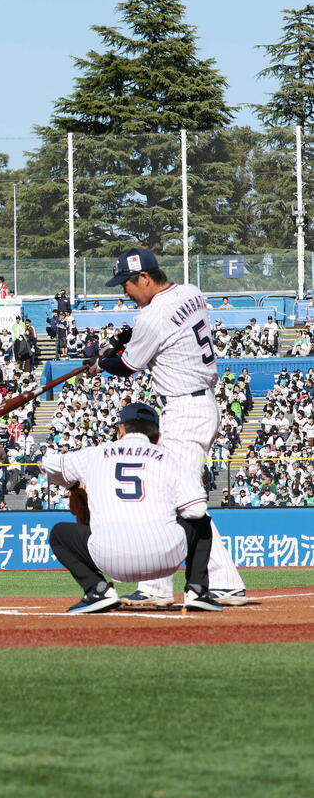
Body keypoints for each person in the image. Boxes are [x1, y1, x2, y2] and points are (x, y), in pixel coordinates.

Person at [97, 247, 247, 606]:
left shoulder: (151, 318)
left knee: (177, 500)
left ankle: (218, 583)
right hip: (200, 403)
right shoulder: (191, 292)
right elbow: (161, 322)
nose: (124, 293)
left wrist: (103, 360)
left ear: (144, 278)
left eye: (127, 285)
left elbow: (127, 367)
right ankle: (165, 587)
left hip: (184, 409)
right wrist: (121, 339)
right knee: (176, 498)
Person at [42, 403, 221, 613]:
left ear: (121, 430)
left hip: (109, 559)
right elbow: (197, 509)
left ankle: (98, 589)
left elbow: (49, 464)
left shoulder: (96, 454)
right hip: (165, 558)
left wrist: (71, 484)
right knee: (201, 520)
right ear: (157, 436)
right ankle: (197, 590)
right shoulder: (169, 458)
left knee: (59, 533)